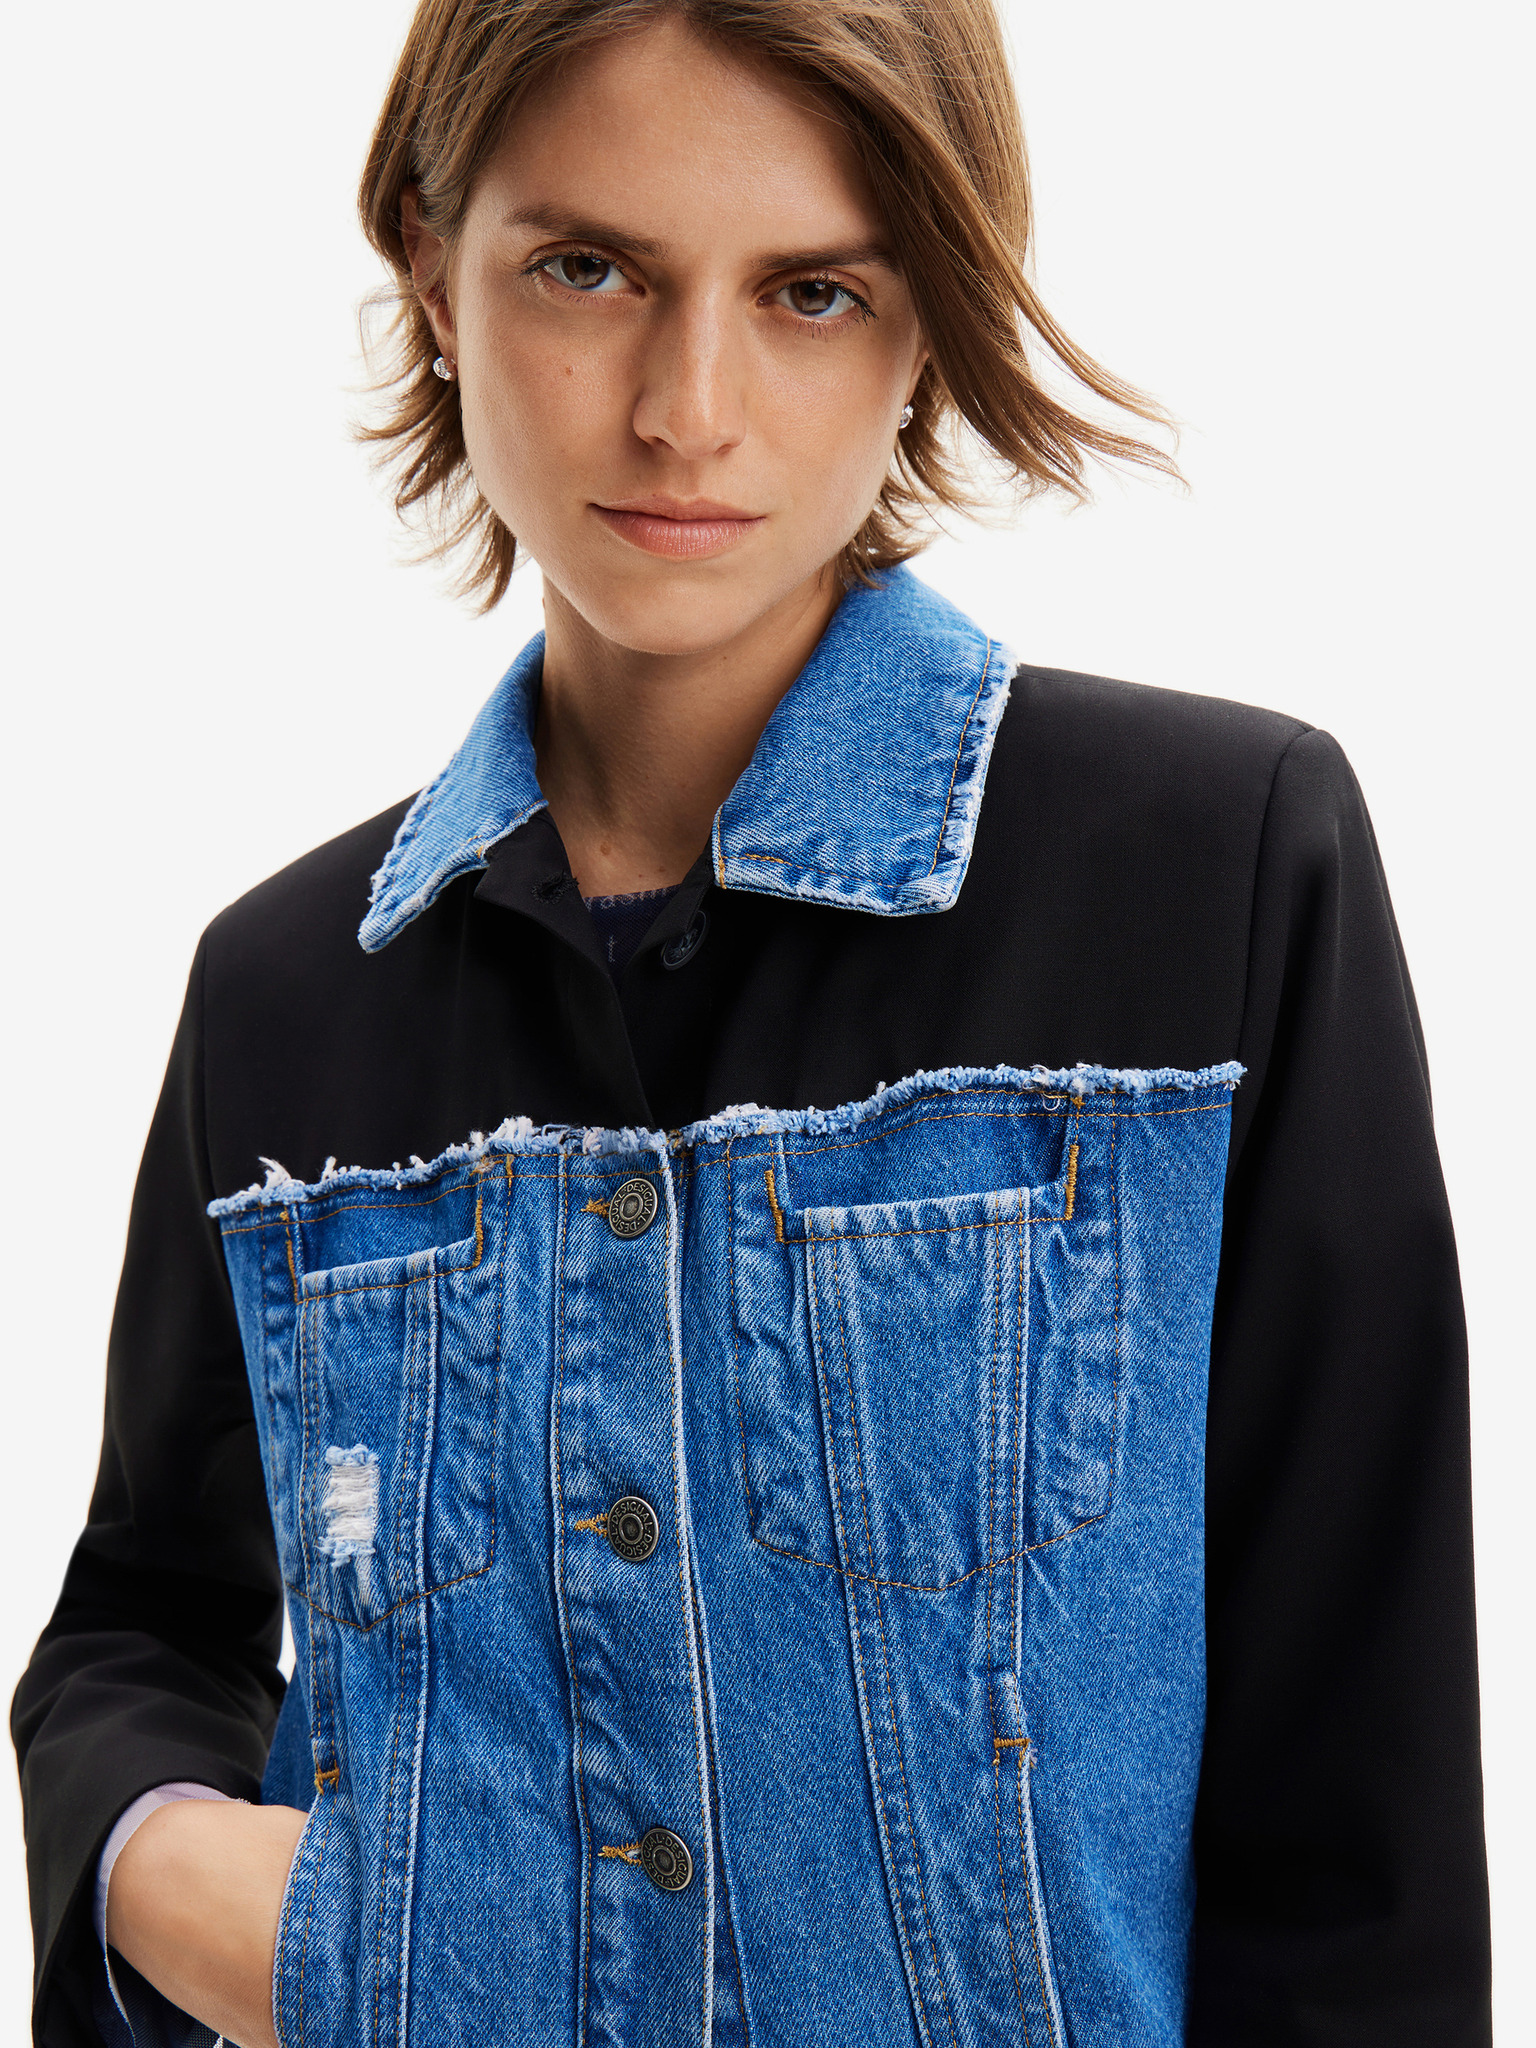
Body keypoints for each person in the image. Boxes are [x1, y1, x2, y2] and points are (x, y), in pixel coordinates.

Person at [12, 1, 1491, 2043]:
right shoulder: (285, 989)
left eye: (811, 292)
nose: (686, 410)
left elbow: (1360, 1821)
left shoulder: (1219, 871)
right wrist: (166, 1864)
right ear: (432, 270)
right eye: (588, 268)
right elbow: (141, 1619)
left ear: (927, 320)